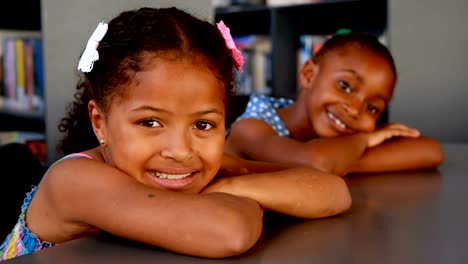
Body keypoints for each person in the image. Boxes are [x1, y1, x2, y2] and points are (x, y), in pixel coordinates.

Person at [0, 7, 351, 261]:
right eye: (150, 122)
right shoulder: (73, 180)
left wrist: (232, 185)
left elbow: (332, 190)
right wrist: (242, 192)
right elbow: (228, 232)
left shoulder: (199, 168)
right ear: (100, 122)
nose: (180, 151)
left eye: (203, 125)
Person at [225, 32, 444, 176]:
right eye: (345, 86)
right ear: (309, 74)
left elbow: (431, 151)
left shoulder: (342, 139)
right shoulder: (250, 128)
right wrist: (362, 142)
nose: (355, 109)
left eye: (373, 108)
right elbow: (316, 164)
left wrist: (340, 160)